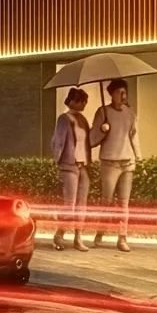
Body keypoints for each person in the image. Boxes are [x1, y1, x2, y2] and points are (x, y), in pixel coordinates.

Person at [89, 78, 140, 252]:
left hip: (127, 162)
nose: (123, 95)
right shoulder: (103, 112)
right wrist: (102, 130)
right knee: (107, 202)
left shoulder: (130, 113)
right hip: (110, 163)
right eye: (119, 92)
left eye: (125, 92)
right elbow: (91, 139)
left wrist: (138, 156)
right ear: (111, 94)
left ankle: (122, 238)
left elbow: (134, 136)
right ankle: (100, 232)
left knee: (124, 203)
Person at [50, 87, 93, 250]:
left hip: (83, 166)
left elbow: (89, 141)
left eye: (85, 101)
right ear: (73, 101)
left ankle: (78, 237)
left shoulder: (82, 120)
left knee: (82, 204)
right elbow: (57, 141)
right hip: (69, 165)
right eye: (82, 101)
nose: (84, 104)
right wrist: (58, 160)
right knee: (70, 204)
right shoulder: (63, 119)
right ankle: (60, 234)